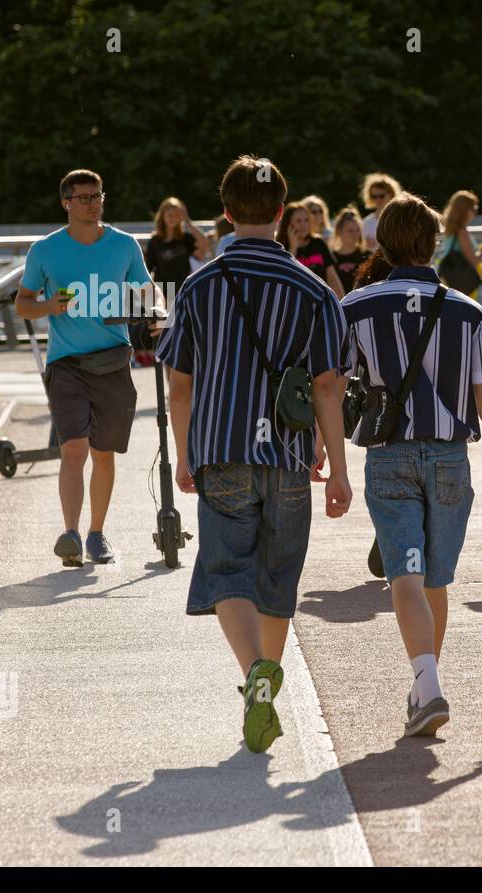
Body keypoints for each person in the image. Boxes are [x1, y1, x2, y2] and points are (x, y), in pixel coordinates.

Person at [156, 155, 352, 754]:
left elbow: (179, 382)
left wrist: (186, 453)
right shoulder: (314, 289)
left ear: (226, 210)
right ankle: (264, 675)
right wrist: (337, 466)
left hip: (221, 448)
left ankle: (255, 679)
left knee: (225, 572)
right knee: (276, 575)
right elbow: (327, 385)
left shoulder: (200, 284)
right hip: (290, 455)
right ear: (283, 212)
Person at [339, 193, 482, 737]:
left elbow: (332, 383)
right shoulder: (468, 311)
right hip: (449, 455)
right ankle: (427, 682)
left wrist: (323, 451)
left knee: (405, 571)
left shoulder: (357, 306)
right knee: (436, 578)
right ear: (436, 241)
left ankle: (428, 683)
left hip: (389, 453)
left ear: (382, 242)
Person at [14, 169, 154, 568]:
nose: (93, 204)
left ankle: (97, 533)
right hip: (66, 363)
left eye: (98, 196)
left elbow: (146, 290)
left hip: (112, 358)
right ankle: (70, 533)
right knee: (73, 447)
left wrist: (157, 311)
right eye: (84, 198)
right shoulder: (44, 250)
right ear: (66, 203)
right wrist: (47, 307)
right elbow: (23, 303)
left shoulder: (124, 245)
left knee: (103, 452)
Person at [141, 197, 210, 367]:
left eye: (176, 214)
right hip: (164, 295)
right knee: (168, 342)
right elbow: (147, 269)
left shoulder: (185, 238)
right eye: (169, 214)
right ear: (162, 216)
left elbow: (204, 245)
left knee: (187, 339)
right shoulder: (155, 240)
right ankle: (170, 389)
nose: (173, 218)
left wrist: (188, 221)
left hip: (184, 292)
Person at [435, 190, 482, 296]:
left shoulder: (451, 229)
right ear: (465, 210)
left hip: (448, 280)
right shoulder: (462, 231)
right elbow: (473, 261)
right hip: (461, 284)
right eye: (474, 208)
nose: (475, 212)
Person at [278, 202, 345, 297]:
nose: (303, 225)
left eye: (306, 220)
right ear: (288, 224)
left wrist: (342, 304)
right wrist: (293, 248)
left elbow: (332, 278)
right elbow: (285, 276)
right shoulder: (281, 247)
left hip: (321, 300)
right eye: (298, 221)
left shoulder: (318, 242)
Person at [330, 206, 370, 293]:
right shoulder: (331, 257)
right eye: (350, 231)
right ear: (339, 231)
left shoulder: (367, 255)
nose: (355, 234)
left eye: (357, 230)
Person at [360, 172, 402, 251]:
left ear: (391, 194)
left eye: (381, 196)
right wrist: (363, 245)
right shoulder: (366, 223)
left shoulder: (400, 219)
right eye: (374, 196)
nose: (377, 200)